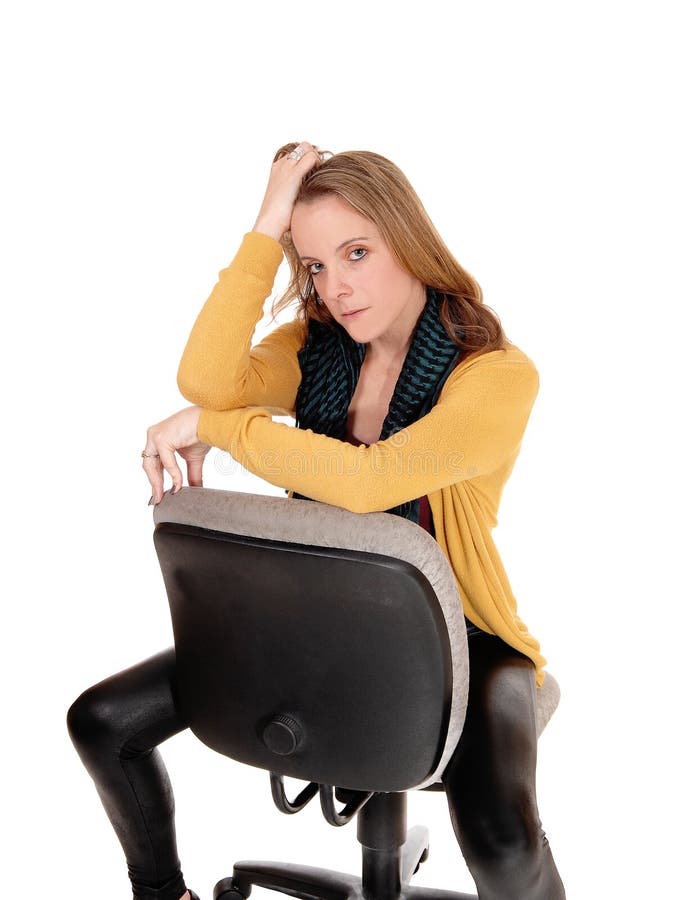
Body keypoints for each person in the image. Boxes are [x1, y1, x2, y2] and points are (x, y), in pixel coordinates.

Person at [68, 142, 566, 900]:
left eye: (356, 252)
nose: (335, 287)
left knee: (500, 834)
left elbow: (371, 484)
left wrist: (219, 427)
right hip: (318, 618)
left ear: (409, 238)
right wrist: (267, 225)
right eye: (314, 266)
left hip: (462, 636)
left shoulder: (495, 376)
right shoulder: (314, 349)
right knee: (103, 721)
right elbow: (206, 378)